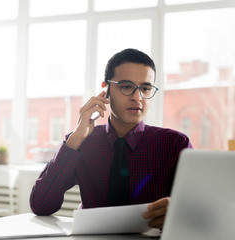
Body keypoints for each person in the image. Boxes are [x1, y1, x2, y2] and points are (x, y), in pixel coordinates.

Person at [29, 48, 193, 230]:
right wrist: (75, 139)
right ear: (106, 89)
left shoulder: (175, 145)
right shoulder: (83, 142)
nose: (137, 98)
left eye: (145, 88)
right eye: (126, 86)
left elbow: (202, 210)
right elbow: (41, 205)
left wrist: (181, 211)